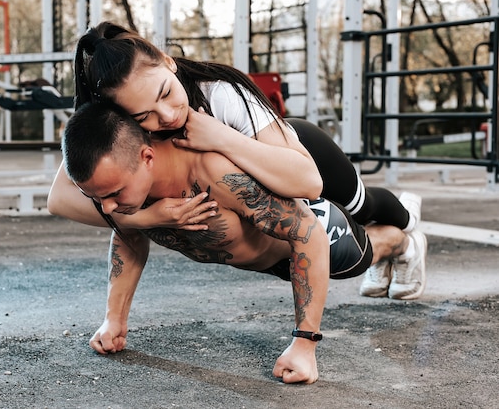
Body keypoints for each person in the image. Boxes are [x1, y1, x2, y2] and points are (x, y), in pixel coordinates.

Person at [47, 21, 426, 301]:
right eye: (145, 115)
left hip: (296, 152)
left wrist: (219, 136)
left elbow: (308, 181)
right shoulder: (120, 122)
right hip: (262, 202)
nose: (165, 115)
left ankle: (410, 225)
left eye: (165, 93)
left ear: (168, 61)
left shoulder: (222, 94)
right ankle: (396, 246)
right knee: (346, 263)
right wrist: (150, 216)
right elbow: (60, 199)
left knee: (363, 205)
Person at [61, 102, 425, 384]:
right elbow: (128, 236)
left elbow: (308, 234)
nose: (107, 208)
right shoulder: (130, 195)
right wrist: (114, 321)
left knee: (358, 254)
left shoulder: (213, 174)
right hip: (268, 257)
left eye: (113, 194)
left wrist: (304, 342)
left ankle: (405, 244)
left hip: (310, 229)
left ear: (147, 157)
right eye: (98, 198)